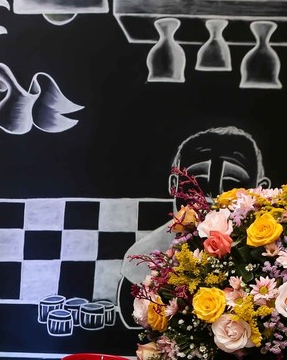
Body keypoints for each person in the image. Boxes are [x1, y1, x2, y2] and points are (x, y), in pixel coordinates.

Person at [115, 126, 270, 329]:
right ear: (174, 184)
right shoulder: (144, 254)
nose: (211, 196)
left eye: (231, 182)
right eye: (197, 180)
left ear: (260, 188)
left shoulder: (269, 256)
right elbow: (132, 319)